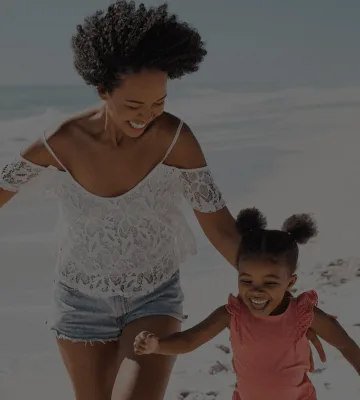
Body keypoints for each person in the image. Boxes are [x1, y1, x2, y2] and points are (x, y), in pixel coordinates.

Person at [0, 2, 326, 400]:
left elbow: (222, 229)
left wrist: (283, 305)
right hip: (78, 301)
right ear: (102, 90)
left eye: (159, 103)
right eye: (134, 105)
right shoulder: (61, 141)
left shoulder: (175, 140)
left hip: (153, 296)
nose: (147, 116)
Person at [134, 208, 360, 400]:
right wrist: (158, 346)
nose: (256, 290)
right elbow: (190, 340)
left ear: (290, 282)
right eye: (246, 280)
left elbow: (346, 345)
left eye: (270, 282)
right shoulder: (232, 314)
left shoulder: (303, 315)